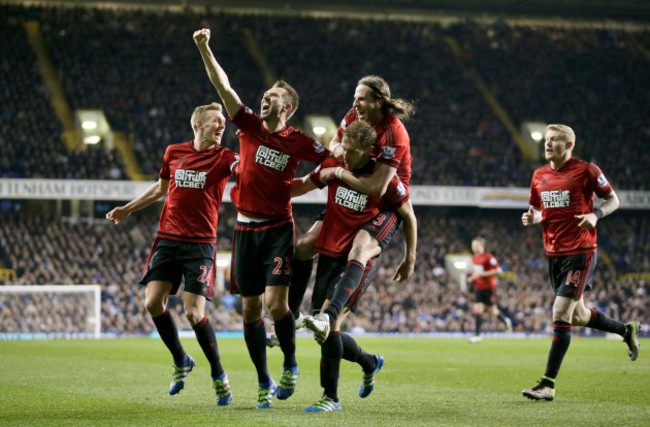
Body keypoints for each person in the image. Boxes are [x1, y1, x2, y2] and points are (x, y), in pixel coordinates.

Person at [193, 28, 329, 408]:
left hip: (277, 230)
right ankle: (264, 379)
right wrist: (205, 47)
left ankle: (289, 363)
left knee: (275, 305)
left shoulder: (300, 141)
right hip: (243, 230)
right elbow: (224, 88)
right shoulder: (249, 125)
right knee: (250, 310)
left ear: (287, 108)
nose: (264, 98)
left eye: (273, 97)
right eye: (265, 95)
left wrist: (310, 182)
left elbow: (332, 162)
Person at [106, 102, 238, 406]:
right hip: (168, 238)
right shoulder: (174, 152)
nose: (222, 126)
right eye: (216, 121)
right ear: (199, 125)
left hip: (201, 244)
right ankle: (181, 359)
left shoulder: (224, 157)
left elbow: (243, 169)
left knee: (194, 313)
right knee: (152, 303)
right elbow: (160, 188)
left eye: (224, 122)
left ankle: (218, 374)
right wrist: (127, 208)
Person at [291, 120, 417, 412]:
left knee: (330, 323)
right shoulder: (336, 162)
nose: (345, 155)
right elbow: (305, 184)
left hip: (356, 262)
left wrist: (410, 258)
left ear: (369, 151)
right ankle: (370, 361)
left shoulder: (384, 179)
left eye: (352, 151)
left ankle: (330, 398)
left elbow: (409, 216)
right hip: (330, 251)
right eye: (343, 148)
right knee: (321, 327)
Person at [520, 124, 640, 401]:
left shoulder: (586, 170)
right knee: (578, 316)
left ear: (569, 145)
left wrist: (596, 215)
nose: (548, 144)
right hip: (553, 254)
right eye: (547, 140)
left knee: (560, 313)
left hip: (581, 250)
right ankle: (626, 329)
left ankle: (547, 384)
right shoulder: (539, 175)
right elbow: (539, 211)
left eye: (554, 141)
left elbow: (613, 200)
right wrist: (533, 218)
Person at [288, 75, 415, 330]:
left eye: (361, 99)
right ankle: (290, 316)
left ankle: (329, 316)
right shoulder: (353, 119)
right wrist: (340, 154)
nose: (355, 103)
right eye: (354, 98)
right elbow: (334, 144)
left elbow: (379, 186)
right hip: (353, 190)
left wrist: (338, 172)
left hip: (384, 202)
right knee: (302, 246)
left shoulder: (394, 134)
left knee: (359, 249)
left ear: (379, 102)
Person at [467, 236, 513, 343]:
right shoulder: (474, 258)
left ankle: (506, 321)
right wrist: (472, 278)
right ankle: (477, 335)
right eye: (472, 245)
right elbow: (476, 271)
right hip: (478, 287)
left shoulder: (488, 257)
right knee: (478, 309)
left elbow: (499, 271)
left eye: (475, 245)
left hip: (489, 288)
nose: (473, 247)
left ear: (481, 246)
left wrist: (484, 274)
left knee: (493, 311)